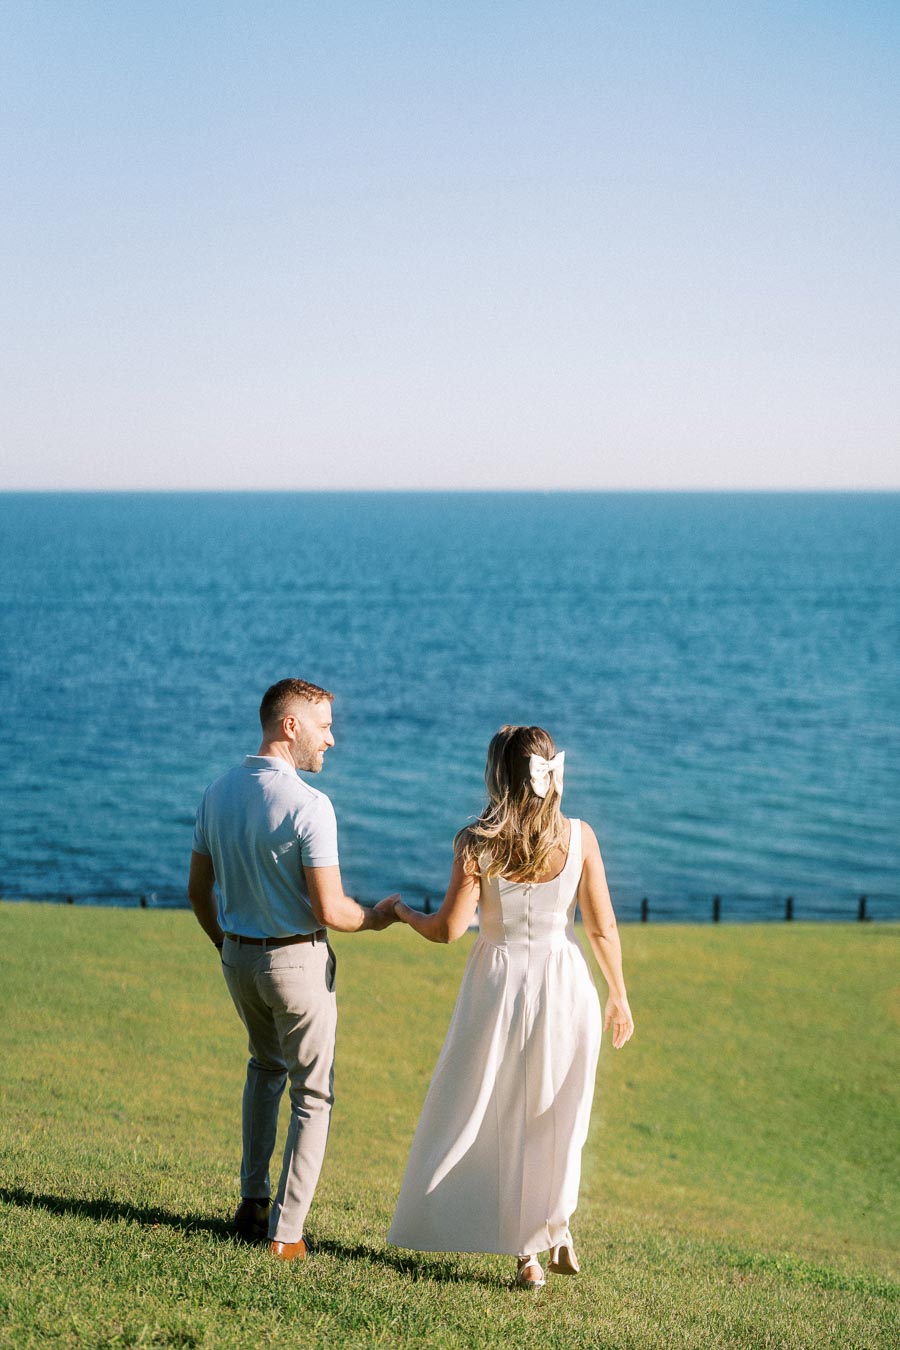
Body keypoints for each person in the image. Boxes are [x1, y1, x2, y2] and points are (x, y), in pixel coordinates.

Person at [387, 724, 634, 1289]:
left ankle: (527, 1255)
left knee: (498, 1115)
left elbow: (449, 930)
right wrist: (618, 995)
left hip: (499, 988)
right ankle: (556, 1228)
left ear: (498, 775)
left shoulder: (476, 841)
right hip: (565, 984)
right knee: (559, 1115)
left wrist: (402, 912)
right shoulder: (580, 836)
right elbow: (602, 926)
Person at [187, 678, 398, 1261]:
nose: (332, 739)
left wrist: (226, 946)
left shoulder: (216, 793)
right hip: (296, 963)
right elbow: (332, 909)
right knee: (313, 1095)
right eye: (325, 726)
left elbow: (197, 891)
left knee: (264, 1067)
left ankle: (252, 1201)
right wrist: (379, 917)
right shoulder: (309, 805)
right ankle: (287, 1235)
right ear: (290, 725)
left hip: (239, 958)